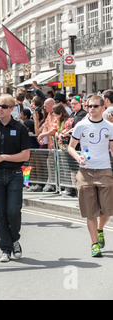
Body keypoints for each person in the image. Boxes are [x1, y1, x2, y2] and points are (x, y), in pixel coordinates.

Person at [68, 95, 113, 257]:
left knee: (108, 209)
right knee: (90, 211)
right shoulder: (81, 125)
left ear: (102, 108)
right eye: (89, 106)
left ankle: (100, 229)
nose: (91, 109)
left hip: (104, 170)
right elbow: (71, 147)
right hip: (85, 172)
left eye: (95, 106)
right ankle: (94, 244)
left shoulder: (110, 126)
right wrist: (77, 156)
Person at [0, 94, 31, 262]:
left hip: (14, 174)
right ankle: (5, 249)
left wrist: (3, 157)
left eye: (3, 106)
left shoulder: (19, 128)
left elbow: (25, 155)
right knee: (0, 214)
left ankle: (14, 239)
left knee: (13, 211)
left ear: (11, 109)